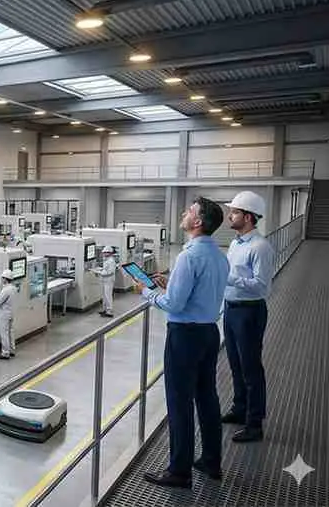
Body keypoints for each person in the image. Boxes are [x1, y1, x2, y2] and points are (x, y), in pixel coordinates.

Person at [135, 197, 229, 488]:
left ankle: (179, 471)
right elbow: (199, 291)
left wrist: (147, 292)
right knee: (207, 398)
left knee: (179, 402)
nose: (184, 213)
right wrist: (172, 280)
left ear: (198, 222)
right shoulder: (218, 255)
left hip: (185, 337)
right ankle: (211, 461)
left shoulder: (189, 256)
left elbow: (174, 304)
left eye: (190, 211)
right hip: (209, 333)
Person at [222, 191, 274, 443]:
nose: (230, 215)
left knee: (251, 367)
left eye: (234, 212)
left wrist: (228, 277)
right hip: (232, 309)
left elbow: (262, 286)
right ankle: (239, 408)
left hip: (250, 312)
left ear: (248, 216)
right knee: (235, 363)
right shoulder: (235, 243)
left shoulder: (260, 247)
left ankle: (254, 424)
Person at [93, 245, 117, 318]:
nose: (103, 254)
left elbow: (110, 272)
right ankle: (105, 309)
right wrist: (100, 271)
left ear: (109, 253)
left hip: (109, 281)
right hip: (105, 280)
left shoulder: (111, 261)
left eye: (105, 253)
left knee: (108, 296)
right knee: (104, 296)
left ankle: (109, 311)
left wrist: (99, 273)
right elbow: (105, 269)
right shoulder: (106, 260)